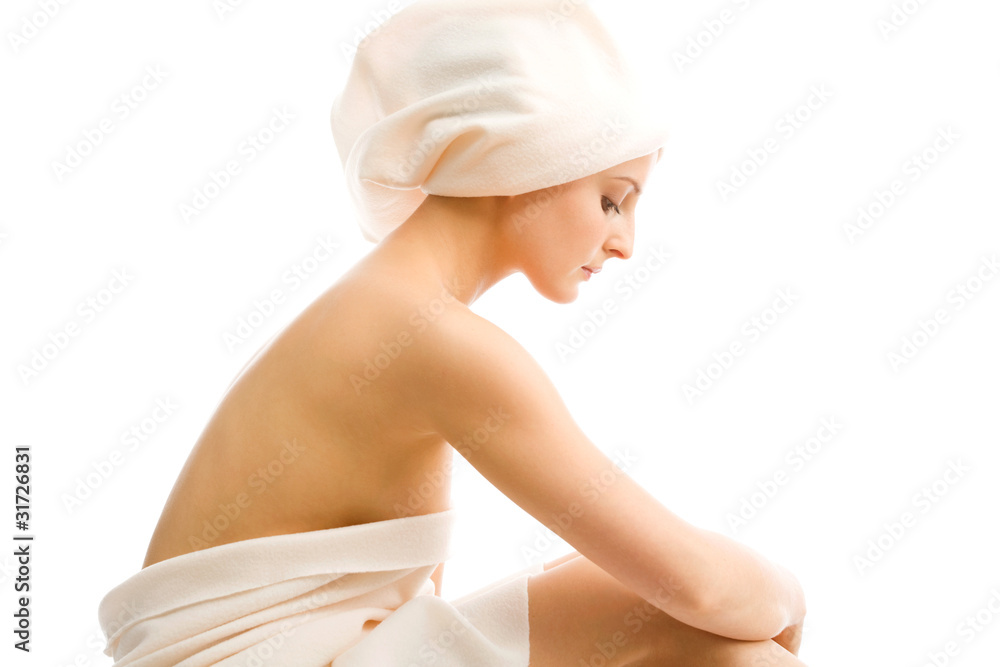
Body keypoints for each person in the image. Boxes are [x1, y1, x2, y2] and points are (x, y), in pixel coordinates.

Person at [100, 1, 808, 665]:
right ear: (526, 160)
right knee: (720, 630)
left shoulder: (389, 308)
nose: (625, 244)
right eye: (612, 201)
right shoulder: (431, 340)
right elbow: (701, 587)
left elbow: (420, 605)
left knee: (693, 628)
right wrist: (790, 594)